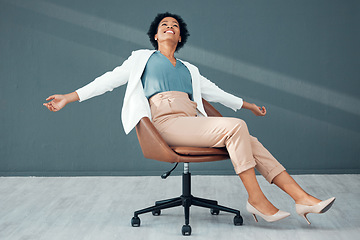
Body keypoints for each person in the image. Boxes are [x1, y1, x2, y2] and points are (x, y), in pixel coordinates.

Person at [43, 12, 335, 224]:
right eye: (163, 26)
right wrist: (69, 97)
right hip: (164, 125)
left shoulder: (189, 69)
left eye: (174, 26)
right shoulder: (141, 59)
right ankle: (256, 199)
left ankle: (302, 199)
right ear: (156, 35)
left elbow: (218, 93)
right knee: (238, 129)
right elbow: (107, 80)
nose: (169, 28)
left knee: (249, 137)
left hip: (191, 121)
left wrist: (249, 106)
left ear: (179, 37)